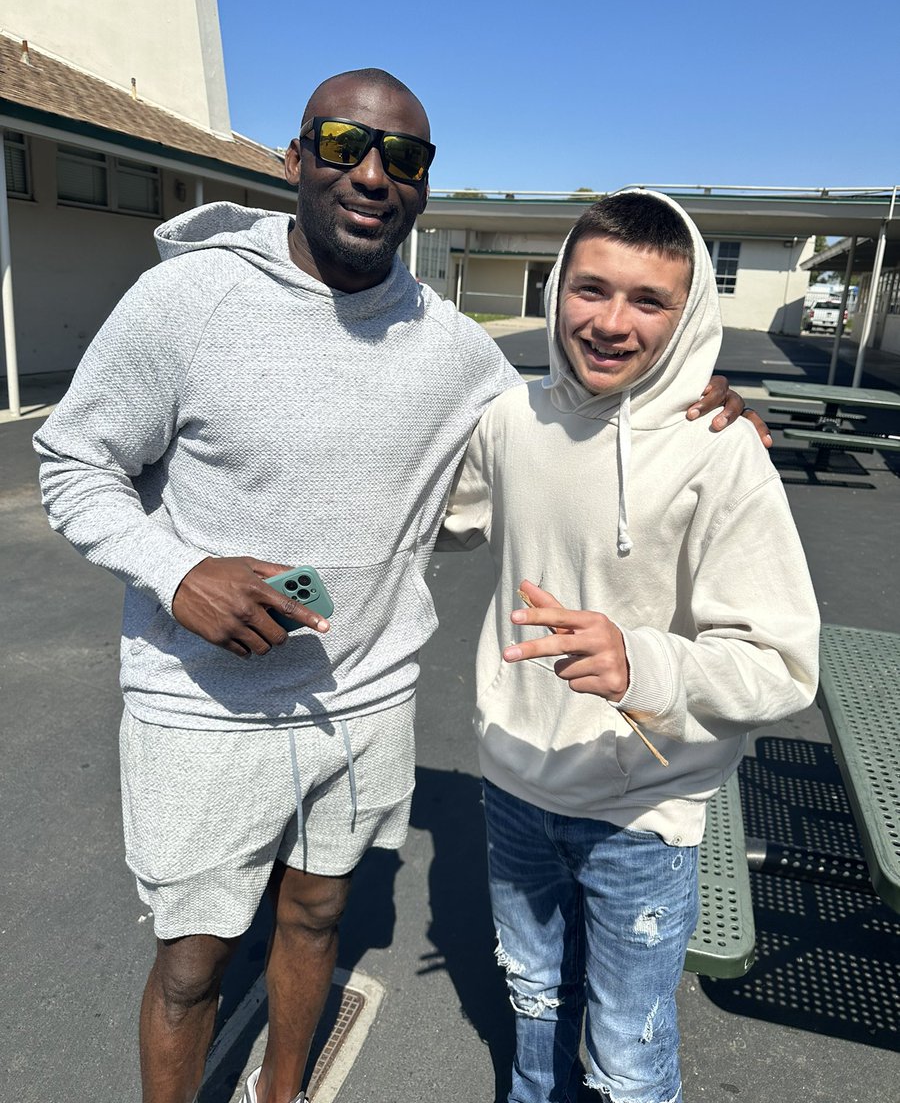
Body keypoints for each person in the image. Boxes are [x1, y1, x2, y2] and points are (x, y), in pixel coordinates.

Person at [34, 70, 759, 1103]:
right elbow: (72, 460)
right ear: (295, 159)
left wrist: (695, 396)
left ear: (422, 184)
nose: (372, 174)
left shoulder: (456, 351)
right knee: (193, 965)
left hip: (364, 700)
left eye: (404, 158)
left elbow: (563, 421)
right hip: (200, 707)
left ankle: (281, 1092)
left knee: (318, 916)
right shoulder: (187, 301)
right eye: (344, 145)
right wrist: (175, 569)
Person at [440, 190, 819, 1103]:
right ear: (556, 290)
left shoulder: (720, 448)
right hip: (516, 781)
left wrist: (643, 662)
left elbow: (784, 666)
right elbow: (428, 514)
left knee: (627, 1060)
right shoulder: (512, 420)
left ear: (688, 315)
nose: (612, 324)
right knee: (534, 1003)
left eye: (649, 301)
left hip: (644, 814)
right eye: (591, 289)